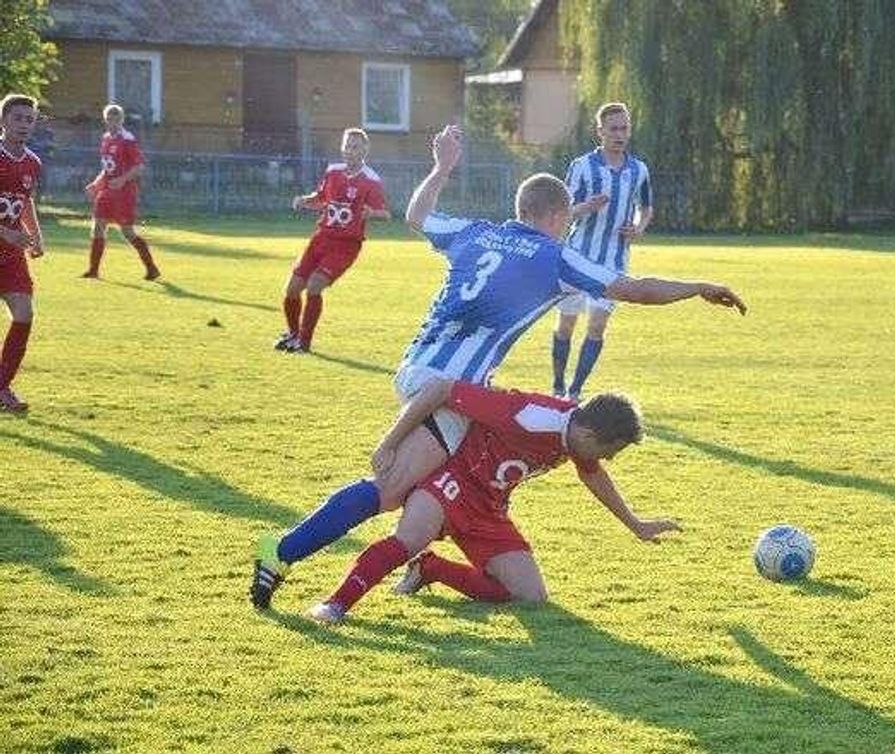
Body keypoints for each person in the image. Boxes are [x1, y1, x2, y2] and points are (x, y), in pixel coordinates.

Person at [249, 124, 745, 609]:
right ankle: (284, 551)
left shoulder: (476, 233)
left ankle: (432, 540)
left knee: (424, 482)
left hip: (417, 365)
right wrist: (697, 287)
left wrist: (442, 168)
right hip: (448, 387)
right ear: (560, 217)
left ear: (521, 209)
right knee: (389, 487)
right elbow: (634, 289)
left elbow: (417, 215)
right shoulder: (556, 258)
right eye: (568, 219)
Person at [305, 377, 679, 623]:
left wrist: (636, 525)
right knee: (409, 538)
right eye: (610, 450)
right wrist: (389, 444)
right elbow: (441, 389)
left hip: (489, 507)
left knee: (529, 596)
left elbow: (593, 475)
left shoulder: (576, 436)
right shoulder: (529, 415)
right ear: (590, 434)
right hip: (452, 483)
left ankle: (431, 570)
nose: (608, 458)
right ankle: (335, 605)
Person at [552, 102, 653, 400]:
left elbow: (646, 207)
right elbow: (563, 211)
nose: (620, 134)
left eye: (624, 128)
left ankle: (574, 392)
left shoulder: (639, 169)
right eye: (614, 129)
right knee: (566, 325)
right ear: (600, 131)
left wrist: (639, 227)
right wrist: (587, 206)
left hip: (614, 261)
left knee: (596, 325)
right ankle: (557, 385)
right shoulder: (582, 166)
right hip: (577, 258)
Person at [275, 127, 390, 354]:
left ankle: (304, 343)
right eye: (347, 146)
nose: (350, 150)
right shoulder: (333, 171)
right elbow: (321, 198)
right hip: (321, 238)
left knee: (314, 285)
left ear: (365, 150)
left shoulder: (371, 180)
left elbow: (385, 214)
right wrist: (304, 201)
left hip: (346, 245)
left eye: (355, 147)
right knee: (292, 289)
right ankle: (293, 335)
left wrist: (371, 213)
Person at [0, 94, 46, 413]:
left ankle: (2, 387)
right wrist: (7, 232)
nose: (24, 124)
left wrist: (36, 236)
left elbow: (25, 201)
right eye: (18, 118)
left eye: (29, 120)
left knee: (24, 313)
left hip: (11, 255)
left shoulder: (33, 162)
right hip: (8, 240)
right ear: (4, 120)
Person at [81, 104, 161, 281]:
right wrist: (95, 184)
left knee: (127, 232)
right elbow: (107, 168)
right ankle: (93, 270)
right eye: (109, 119)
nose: (113, 122)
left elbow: (139, 167)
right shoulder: (106, 138)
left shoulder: (127, 139)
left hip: (124, 193)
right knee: (98, 226)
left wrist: (123, 179)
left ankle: (152, 268)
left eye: (116, 119)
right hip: (107, 191)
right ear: (105, 120)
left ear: (122, 120)